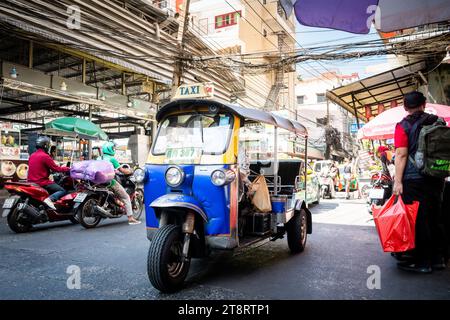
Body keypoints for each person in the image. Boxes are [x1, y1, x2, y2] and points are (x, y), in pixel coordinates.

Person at [393, 91, 446, 273]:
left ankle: (423, 263)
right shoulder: (438, 121)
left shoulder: (403, 126)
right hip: (437, 177)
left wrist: (397, 181)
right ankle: (438, 259)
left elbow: (401, 154)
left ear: (405, 107)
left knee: (418, 220)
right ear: (424, 104)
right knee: (436, 217)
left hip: (414, 179)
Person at [101, 141, 141, 225]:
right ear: (110, 149)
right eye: (113, 148)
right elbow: (122, 171)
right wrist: (131, 170)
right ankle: (131, 218)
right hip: (109, 182)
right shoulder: (112, 159)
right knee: (126, 197)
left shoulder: (99, 158)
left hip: (98, 182)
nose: (114, 149)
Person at [27, 136, 70, 210]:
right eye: (48, 146)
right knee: (62, 190)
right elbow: (56, 168)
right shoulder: (45, 156)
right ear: (45, 146)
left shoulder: (32, 155)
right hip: (42, 182)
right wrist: (68, 169)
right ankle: (49, 199)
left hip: (31, 182)